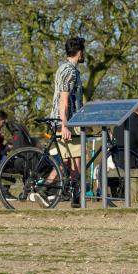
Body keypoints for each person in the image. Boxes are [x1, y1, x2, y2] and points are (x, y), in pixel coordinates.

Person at [49, 37, 86, 189]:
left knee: (65, 161)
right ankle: (75, 197)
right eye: (83, 51)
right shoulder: (71, 72)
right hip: (69, 121)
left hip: (61, 120)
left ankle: (46, 189)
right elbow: (63, 100)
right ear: (79, 52)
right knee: (77, 163)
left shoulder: (62, 69)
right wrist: (65, 125)